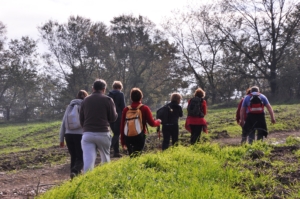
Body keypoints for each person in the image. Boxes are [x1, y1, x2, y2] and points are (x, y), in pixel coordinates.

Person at [79, 79, 118, 173]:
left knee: (88, 160)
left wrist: (85, 128)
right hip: (103, 133)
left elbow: (81, 119)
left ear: (93, 89)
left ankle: (87, 181)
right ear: (104, 89)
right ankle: (105, 179)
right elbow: (113, 118)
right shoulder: (108, 100)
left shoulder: (85, 100)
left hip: (88, 134)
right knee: (105, 159)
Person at [120, 88, 161, 157]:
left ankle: (131, 167)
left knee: (131, 155)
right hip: (139, 135)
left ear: (131, 98)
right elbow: (152, 123)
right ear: (141, 97)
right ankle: (137, 167)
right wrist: (158, 122)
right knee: (137, 155)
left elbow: (122, 126)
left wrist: (122, 141)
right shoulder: (145, 108)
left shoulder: (126, 109)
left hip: (128, 136)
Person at [59, 90, 88, 179]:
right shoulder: (85, 105)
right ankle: (75, 171)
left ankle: (74, 176)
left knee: (73, 156)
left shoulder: (69, 106)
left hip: (68, 135)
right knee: (81, 156)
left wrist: (61, 139)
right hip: (80, 134)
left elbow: (63, 123)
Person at [108, 81, 126, 158]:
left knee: (115, 133)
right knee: (117, 134)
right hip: (118, 116)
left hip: (110, 116)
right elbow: (123, 106)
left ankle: (116, 152)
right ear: (120, 87)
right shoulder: (120, 94)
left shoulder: (109, 95)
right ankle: (109, 147)